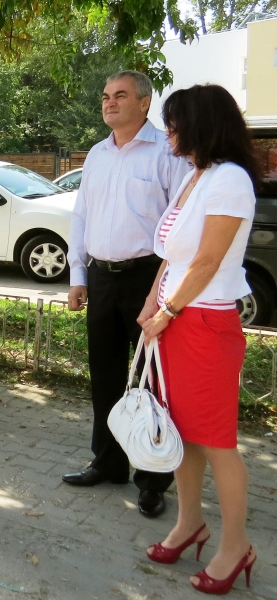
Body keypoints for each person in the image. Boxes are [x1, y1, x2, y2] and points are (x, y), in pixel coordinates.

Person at [140, 84, 259, 595]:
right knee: (181, 433)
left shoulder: (230, 179)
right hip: (175, 319)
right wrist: (154, 301)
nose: (169, 130)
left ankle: (236, 546)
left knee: (216, 443)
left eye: (176, 122)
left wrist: (167, 311)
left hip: (204, 323)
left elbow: (209, 260)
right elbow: (175, 255)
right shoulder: (199, 175)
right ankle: (190, 523)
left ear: (203, 124)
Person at [64, 70, 191, 518]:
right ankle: (108, 462)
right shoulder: (97, 154)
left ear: (144, 102)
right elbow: (81, 216)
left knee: (152, 382)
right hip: (101, 278)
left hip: (148, 280)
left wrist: (164, 293)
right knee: (105, 376)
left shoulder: (167, 153)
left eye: (120, 95)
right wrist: (77, 273)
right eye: (105, 96)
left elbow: (182, 224)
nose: (109, 102)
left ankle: (153, 479)